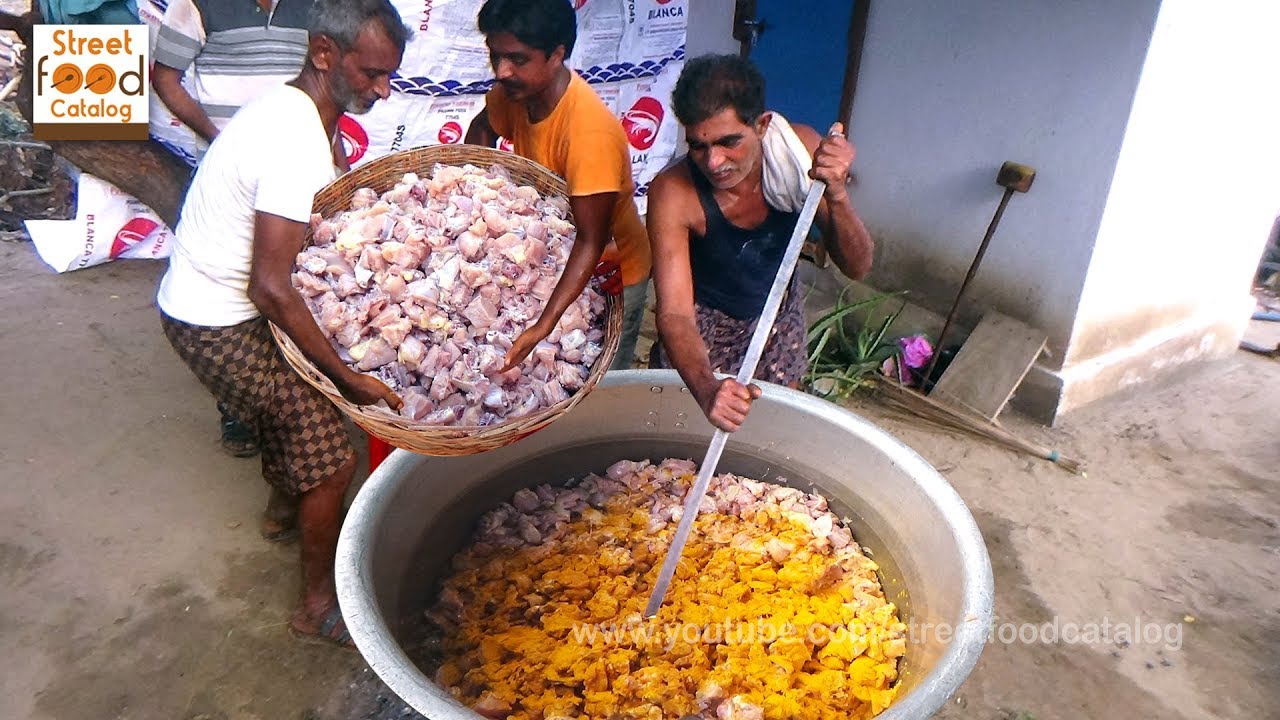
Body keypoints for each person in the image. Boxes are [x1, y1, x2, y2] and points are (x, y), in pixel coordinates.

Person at [156, 0, 408, 647]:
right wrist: (349, 375)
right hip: (214, 320)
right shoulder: (295, 137)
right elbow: (271, 288)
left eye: (389, 77)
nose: (382, 91)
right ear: (325, 54)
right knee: (331, 459)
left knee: (297, 413)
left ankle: (280, 511)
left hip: (208, 299)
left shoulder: (294, 109)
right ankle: (316, 606)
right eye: (373, 74)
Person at [647, 55, 875, 433]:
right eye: (698, 146)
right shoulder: (674, 192)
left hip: (776, 318)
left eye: (728, 142)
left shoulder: (800, 153)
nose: (714, 161)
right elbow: (675, 313)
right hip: (703, 330)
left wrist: (836, 194)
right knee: (682, 435)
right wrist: (706, 390)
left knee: (773, 433)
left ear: (762, 124)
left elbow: (858, 266)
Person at [153, 0, 330, 458]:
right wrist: (218, 137)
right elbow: (165, 78)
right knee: (234, 280)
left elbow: (325, 91)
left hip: (288, 170)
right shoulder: (197, 5)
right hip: (232, 168)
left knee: (281, 280)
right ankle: (238, 404)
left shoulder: (311, 8)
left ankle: (278, 398)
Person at [464, 0, 651, 372]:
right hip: (557, 249)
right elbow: (483, 127)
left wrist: (542, 327)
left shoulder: (588, 134)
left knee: (593, 381)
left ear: (557, 54)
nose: (502, 71)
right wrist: (470, 190)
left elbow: (590, 241)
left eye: (517, 59)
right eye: (495, 55)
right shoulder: (516, 93)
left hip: (610, 270)